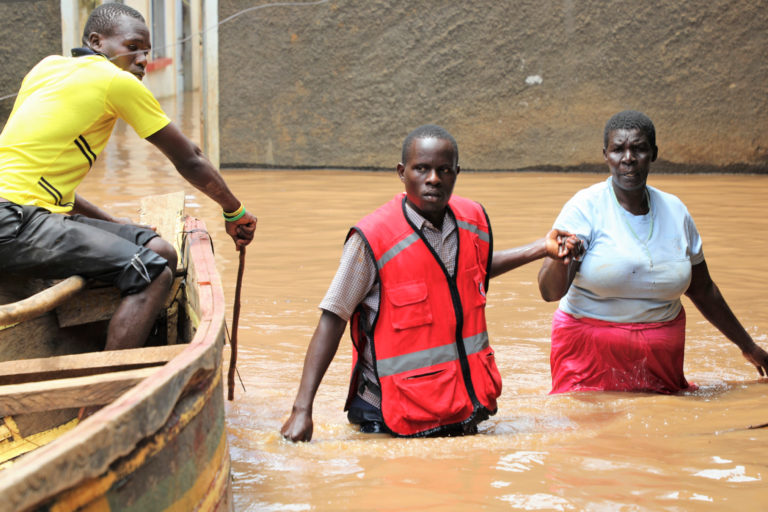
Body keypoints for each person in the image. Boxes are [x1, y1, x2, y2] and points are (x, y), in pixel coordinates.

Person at [281, 124, 579, 441]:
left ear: (456, 173)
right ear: (401, 172)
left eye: (444, 170)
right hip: (388, 417)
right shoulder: (372, 239)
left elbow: (472, 270)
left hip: (459, 408)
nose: (433, 178)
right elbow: (333, 317)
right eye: (422, 168)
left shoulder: (472, 219)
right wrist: (302, 411)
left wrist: (539, 249)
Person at [0, 3, 256, 352]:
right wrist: (234, 211)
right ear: (97, 42)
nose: (141, 60)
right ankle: (104, 390)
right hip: (14, 221)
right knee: (152, 272)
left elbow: (48, 187)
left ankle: (112, 346)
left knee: (160, 251)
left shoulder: (47, 67)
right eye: (132, 47)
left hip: (27, 214)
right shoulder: (115, 81)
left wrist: (109, 221)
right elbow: (189, 159)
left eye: (146, 52)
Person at [537, 110, 768, 394]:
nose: (628, 158)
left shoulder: (676, 211)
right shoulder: (584, 208)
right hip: (587, 355)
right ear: (605, 155)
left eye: (639, 148)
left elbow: (703, 290)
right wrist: (560, 260)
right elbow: (549, 293)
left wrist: (749, 347)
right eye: (618, 149)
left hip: (661, 359)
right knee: (590, 433)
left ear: (654, 153)